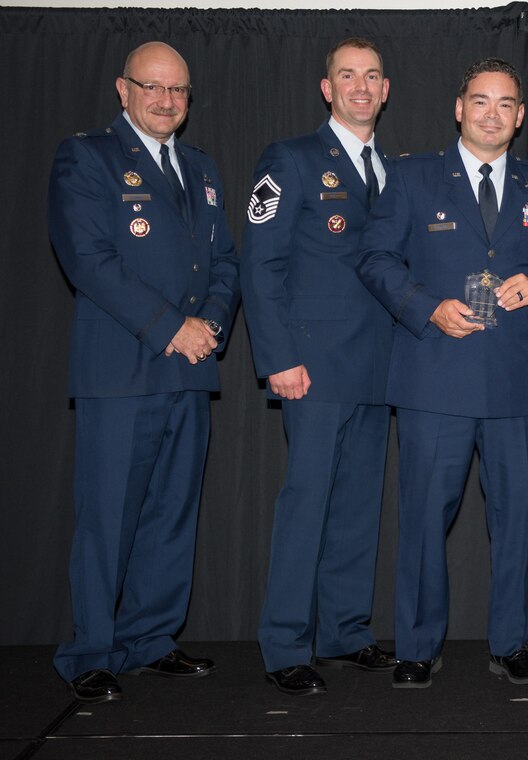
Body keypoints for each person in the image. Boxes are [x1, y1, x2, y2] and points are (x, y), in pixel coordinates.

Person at [358, 58, 528, 689]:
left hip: (515, 381)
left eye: (506, 103)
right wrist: (426, 307)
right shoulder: (410, 176)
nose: (493, 114)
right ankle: (416, 647)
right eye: (480, 102)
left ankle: (514, 641)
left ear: (521, 115)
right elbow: (374, 259)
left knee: (517, 519)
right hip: (435, 377)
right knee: (425, 518)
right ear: (459, 108)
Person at [48, 41, 240, 704]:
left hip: (190, 371)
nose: (165, 100)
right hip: (121, 374)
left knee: (171, 515)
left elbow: (226, 264)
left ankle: (151, 640)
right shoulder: (87, 157)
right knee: (108, 518)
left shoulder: (202, 168)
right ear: (122, 90)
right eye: (152, 87)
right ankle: (90, 652)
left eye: (178, 91)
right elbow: (89, 260)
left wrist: (211, 323)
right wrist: (170, 328)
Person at [241, 38, 397, 697]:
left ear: (385, 90)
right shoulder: (291, 160)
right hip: (313, 367)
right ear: (326, 88)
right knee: (306, 505)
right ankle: (284, 645)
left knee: (358, 506)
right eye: (346, 76)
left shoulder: (389, 169)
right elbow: (260, 262)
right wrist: (279, 358)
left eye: (371, 76)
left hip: (378, 367)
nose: (360, 86)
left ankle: (343, 632)